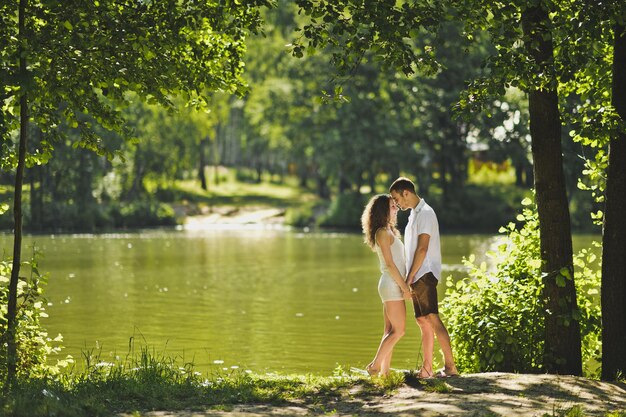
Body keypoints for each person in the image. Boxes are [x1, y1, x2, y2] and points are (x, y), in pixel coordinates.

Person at [389, 177, 459, 378]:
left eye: (397, 198)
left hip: (424, 274)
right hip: (416, 275)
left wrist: (410, 276)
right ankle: (427, 369)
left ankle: (450, 367)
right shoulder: (413, 215)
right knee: (422, 320)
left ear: (406, 193)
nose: (396, 203)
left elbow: (423, 248)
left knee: (432, 317)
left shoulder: (426, 213)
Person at [361, 194, 413, 377]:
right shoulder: (382, 233)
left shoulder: (388, 230)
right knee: (399, 331)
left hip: (392, 284)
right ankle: (374, 367)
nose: (396, 209)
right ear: (383, 210)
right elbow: (390, 265)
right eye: (392, 206)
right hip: (392, 284)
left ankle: (385, 374)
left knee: (389, 331)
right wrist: (405, 288)